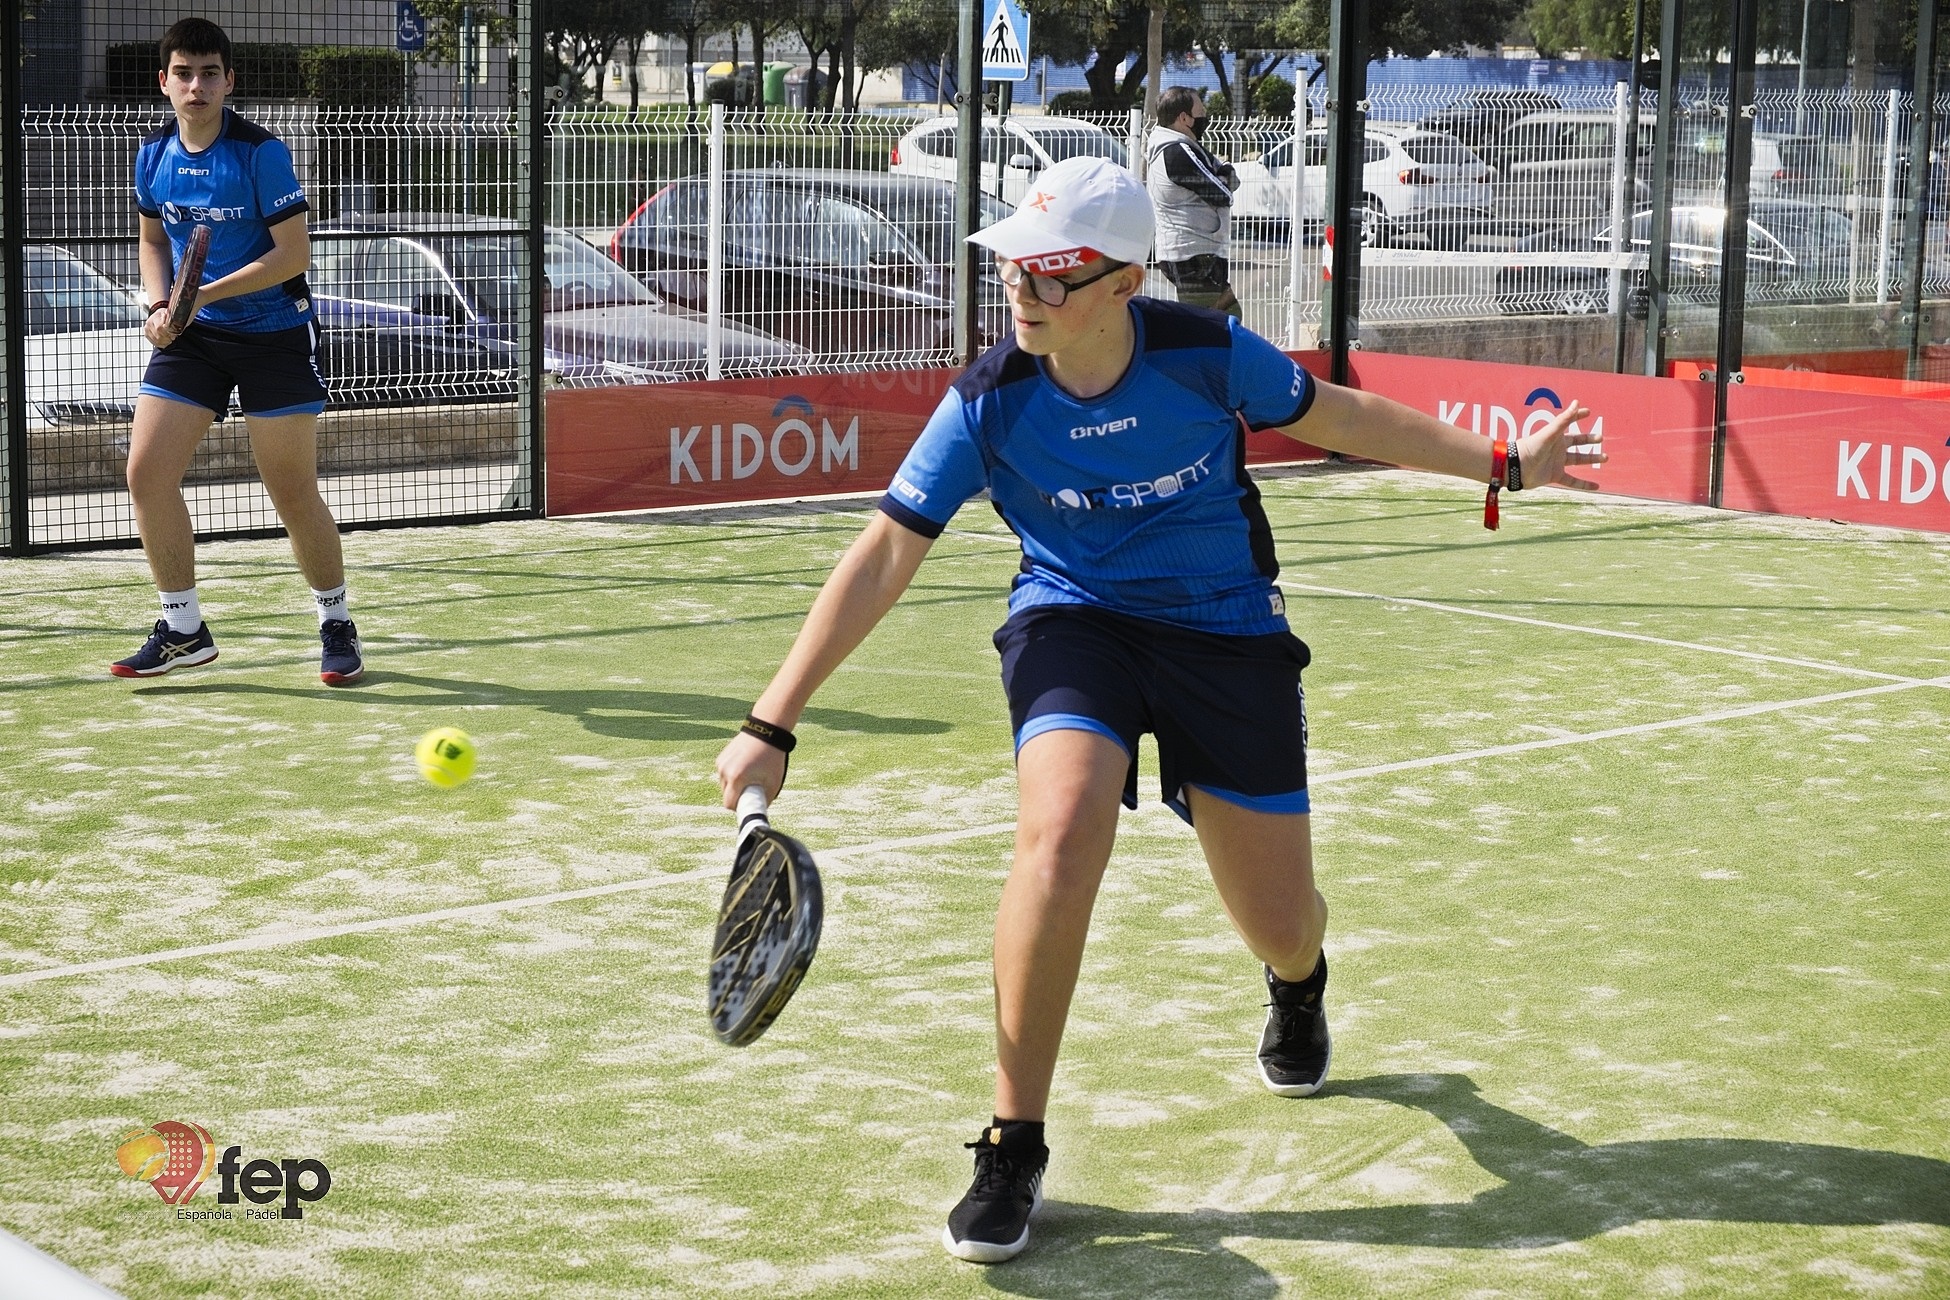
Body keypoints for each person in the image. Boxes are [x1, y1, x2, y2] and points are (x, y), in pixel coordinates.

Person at [712, 156, 1605, 1265]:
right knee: (1061, 826)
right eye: (1015, 269)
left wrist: (1502, 466)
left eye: (1052, 273)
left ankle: (1298, 982)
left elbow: (1342, 416)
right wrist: (772, 720)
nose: (1023, 291)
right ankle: (1012, 1138)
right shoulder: (989, 400)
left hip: (1226, 630)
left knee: (1281, 918)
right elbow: (887, 548)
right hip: (1073, 622)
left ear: (1126, 280)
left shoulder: (1204, 356)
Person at [111, 17, 362, 685]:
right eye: (184, 73)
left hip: (275, 334)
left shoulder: (260, 154)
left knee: (290, 490)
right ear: (163, 82)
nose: (197, 85)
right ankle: (183, 629)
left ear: (229, 80)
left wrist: (199, 295)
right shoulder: (152, 156)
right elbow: (153, 241)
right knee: (146, 474)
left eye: (210, 72)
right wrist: (159, 303)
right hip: (195, 339)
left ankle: (335, 619)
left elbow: (293, 254)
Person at [1147, 86, 1241, 318]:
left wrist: (1223, 177)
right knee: (1216, 324)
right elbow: (1223, 194)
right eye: (1201, 112)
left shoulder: (1187, 147)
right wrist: (1223, 178)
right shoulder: (1177, 151)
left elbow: (1230, 176)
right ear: (1184, 118)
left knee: (1225, 318)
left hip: (1198, 252)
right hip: (1193, 256)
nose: (1205, 116)